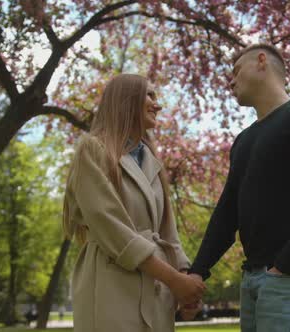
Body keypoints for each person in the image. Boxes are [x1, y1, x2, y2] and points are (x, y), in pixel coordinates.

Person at [188, 44, 290, 332]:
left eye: (236, 70)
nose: (230, 80)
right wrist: (196, 273)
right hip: (252, 279)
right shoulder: (243, 141)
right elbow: (227, 213)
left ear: (262, 61)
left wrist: (285, 266)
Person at [63, 74, 205, 332]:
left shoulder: (152, 161)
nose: (157, 104)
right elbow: (112, 229)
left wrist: (184, 281)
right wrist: (174, 280)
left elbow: (168, 231)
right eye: (149, 95)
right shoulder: (92, 151)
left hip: (157, 289)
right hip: (111, 287)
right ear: (126, 99)